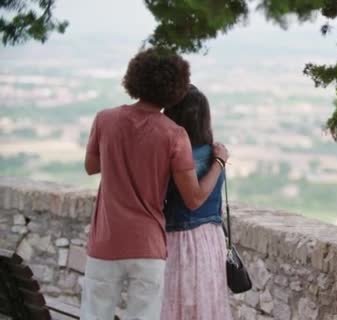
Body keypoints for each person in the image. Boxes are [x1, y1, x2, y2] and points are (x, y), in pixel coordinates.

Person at [82, 48, 229, 320]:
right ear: (175, 87)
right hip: (148, 246)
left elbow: (91, 167)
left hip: (105, 240)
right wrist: (219, 163)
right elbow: (194, 199)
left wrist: (123, 154)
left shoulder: (105, 119)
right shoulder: (175, 134)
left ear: (134, 78)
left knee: (94, 314)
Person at [160, 85, 232, 319]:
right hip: (209, 237)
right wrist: (219, 163)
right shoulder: (212, 153)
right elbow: (199, 199)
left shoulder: (172, 153)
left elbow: (191, 199)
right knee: (205, 303)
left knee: (177, 303)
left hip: (179, 237)